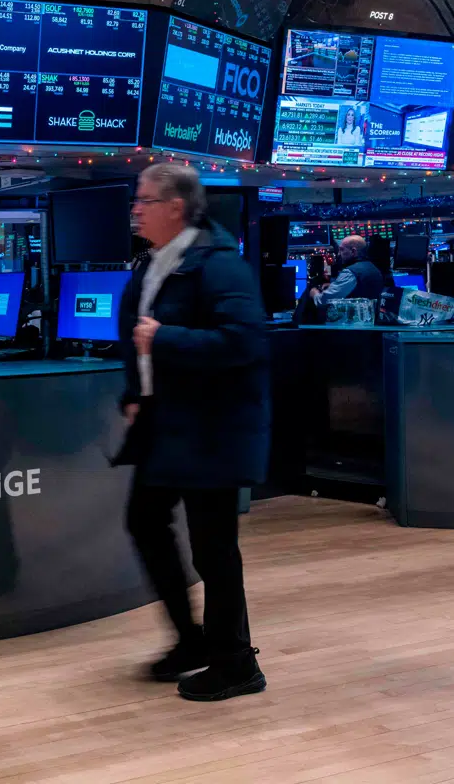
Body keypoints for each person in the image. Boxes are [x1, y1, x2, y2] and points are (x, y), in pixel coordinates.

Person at [116, 164, 270, 703]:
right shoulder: (155, 261)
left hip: (212, 427)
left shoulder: (219, 263)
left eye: (144, 201)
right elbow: (136, 339)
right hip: (167, 422)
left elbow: (244, 342)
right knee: (144, 520)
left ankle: (236, 663)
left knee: (214, 548)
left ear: (175, 207)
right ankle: (191, 640)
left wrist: (167, 339)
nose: (135, 209)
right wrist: (135, 393)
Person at [311, 235, 385, 313]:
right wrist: (334, 285)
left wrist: (314, 293)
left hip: (353, 319)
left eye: (341, 249)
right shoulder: (373, 268)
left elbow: (324, 300)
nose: (339, 254)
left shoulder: (351, 272)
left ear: (353, 251)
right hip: (371, 317)